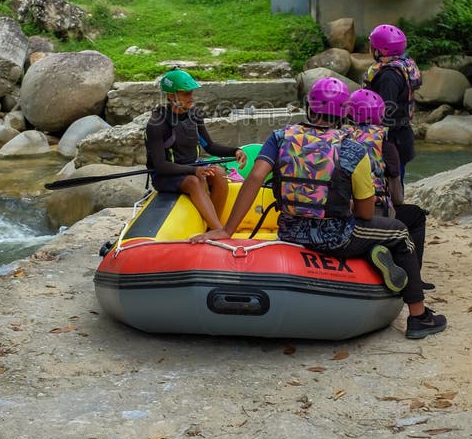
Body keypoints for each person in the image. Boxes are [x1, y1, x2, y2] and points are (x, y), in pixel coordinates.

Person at [190, 76, 446, 339]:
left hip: (289, 231)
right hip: (335, 237)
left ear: (309, 108)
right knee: (400, 232)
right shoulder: (353, 148)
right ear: (342, 114)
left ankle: (375, 258)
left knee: (372, 230)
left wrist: (227, 230)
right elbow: (366, 213)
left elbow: (254, 178)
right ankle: (419, 317)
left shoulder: (280, 137)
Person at [346, 87, 434, 292]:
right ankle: (414, 278)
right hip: (375, 215)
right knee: (416, 215)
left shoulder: (338, 138)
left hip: (343, 213)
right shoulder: (385, 145)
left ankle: (372, 255)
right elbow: (397, 198)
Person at [145, 68, 247, 230]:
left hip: (193, 166)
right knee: (194, 181)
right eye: (186, 94)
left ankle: (211, 227)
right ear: (172, 96)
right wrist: (194, 171)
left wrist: (235, 151)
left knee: (219, 173)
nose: (191, 98)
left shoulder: (194, 115)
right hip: (167, 174)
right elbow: (160, 165)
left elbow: (210, 147)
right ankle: (218, 230)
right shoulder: (157, 124)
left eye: (191, 93)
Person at [362, 24, 422, 186]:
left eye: (372, 46)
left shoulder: (388, 76)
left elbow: (385, 111)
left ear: (380, 50)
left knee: (391, 186)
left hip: (392, 140)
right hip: (401, 135)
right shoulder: (402, 65)